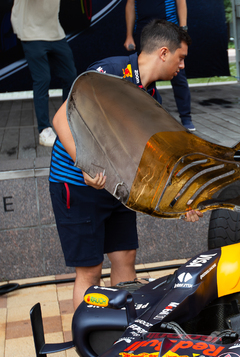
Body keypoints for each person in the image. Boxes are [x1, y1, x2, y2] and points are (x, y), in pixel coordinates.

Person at [50, 19, 202, 309]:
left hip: (116, 186)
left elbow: (154, 158)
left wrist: (184, 199)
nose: (182, 66)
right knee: (90, 271)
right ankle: (89, 348)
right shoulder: (109, 73)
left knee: (125, 257)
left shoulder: (150, 95)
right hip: (76, 183)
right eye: (180, 58)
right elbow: (60, 120)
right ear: (163, 53)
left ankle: (120, 340)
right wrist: (84, 165)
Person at [10, 0, 77, 147]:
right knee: (43, 79)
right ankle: (44, 130)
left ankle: (68, 122)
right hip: (31, 31)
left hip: (54, 31)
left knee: (70, 76)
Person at [124, 0, 196, 131]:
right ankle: (145, 119)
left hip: (169, 29)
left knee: (178, 75)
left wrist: (183, 29)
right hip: (143, 29)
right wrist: (129, 35)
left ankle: (186, 118)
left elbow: (181, 2)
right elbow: (130, 5)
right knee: (143, 75)